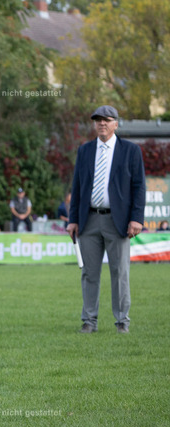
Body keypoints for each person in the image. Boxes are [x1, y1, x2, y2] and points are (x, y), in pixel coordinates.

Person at [67, 105, 145, 334]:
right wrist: (73, 219)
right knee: (89, 273)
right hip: (89, 220)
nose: (102, 123)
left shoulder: (130, 151)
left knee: (119, 272)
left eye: (107, 120)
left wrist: (136, 218)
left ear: (115, 124)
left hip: (117, 221)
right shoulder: (85, 151)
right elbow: (78, 186)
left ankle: (122, 321)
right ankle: (89, 321)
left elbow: (139, 186)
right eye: (98, 120)